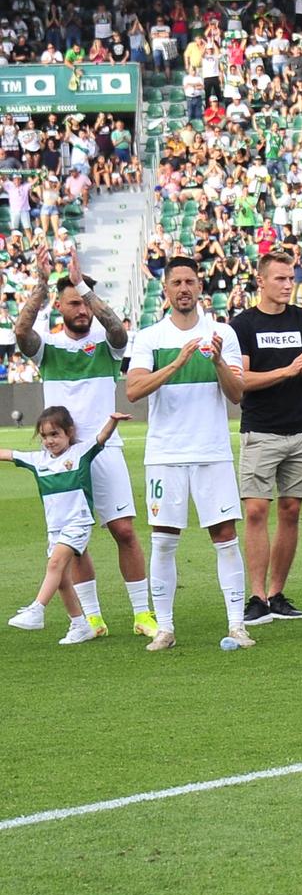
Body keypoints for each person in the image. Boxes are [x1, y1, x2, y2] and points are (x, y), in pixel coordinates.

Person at [13, 249, 150, 636]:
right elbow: (22, 333)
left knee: (123, 530)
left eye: (85, 302)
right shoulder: (48, 347)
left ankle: (142, 614)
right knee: (76, 543)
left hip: (105, 449)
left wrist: (84, 287)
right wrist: (41, 284)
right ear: (59, 307)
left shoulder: (108, 345)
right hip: (62, 458)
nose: (82, 310)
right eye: (73, 302)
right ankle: (92, 617)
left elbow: (118, 329)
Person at [124, 256, 253, 652]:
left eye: (190, 282)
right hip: (165, 454)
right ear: (165, 289)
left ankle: (237, 625)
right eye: (176, 282)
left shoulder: (222, 334)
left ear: (200, 288)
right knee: (163, 540)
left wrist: (215, 360)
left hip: (211, 452)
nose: (183, 289)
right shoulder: (149, 338)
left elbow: (237, 394)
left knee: (226, 537)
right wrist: (177, 363)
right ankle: (164, 627)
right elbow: (133, 391)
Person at [231, 252, 302, 627]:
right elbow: (242, 381)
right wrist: (288, 369)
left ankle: (276, 593)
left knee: (291, 511)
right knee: (255, 511)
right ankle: (256, 597)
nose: (288, 285)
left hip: (301, 429)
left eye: (291, 279)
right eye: (281, 279)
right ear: (261, 280)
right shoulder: (243, 324)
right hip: (260, 429)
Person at [4, 407, 130, 644]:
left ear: (69, 432)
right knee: (61, 578)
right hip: (55, 527)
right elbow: (9, 454)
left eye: (55, 434)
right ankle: (79, 624)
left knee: (55, 564)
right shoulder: (37, 460)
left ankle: (37, 609)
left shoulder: (80, 453)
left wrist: (113, 421)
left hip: (78, 522)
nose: (49, 441)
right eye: (44, 436)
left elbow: (101, 438)